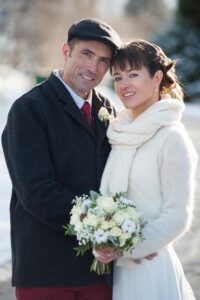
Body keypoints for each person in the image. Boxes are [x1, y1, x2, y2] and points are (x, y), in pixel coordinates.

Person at [1, 18, 122, 300]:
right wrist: (98, 227)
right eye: (86, 54)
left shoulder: (108, 110)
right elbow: (37, 192)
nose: (93, 68)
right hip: (46, 269)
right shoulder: (29, 110)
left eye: (103, 61)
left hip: (98, 272)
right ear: (66, 51)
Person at [96, 39, 198, 299]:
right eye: (118, 77)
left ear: (156, 78)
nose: (123, 84)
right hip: (117, 274)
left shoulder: (171, 137)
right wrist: (101, 239)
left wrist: (128, 248)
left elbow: (178, 215)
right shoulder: (120, 134)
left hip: (150, 269)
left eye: (133, 74)